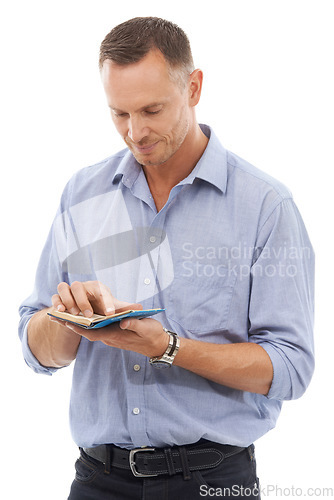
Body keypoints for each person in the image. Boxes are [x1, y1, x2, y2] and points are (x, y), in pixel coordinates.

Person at [19, 17, 315, 500]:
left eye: (151, 109)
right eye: (119, 114)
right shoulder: (81, 193)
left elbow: (290, 368)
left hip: (213, 482)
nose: (135, 132)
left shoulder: (265, 207)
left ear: (194, 87)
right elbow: (36, 350)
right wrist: (67, 320)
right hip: (96, 481)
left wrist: (168, 347)